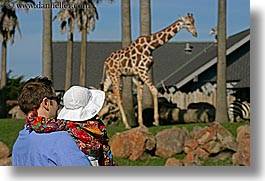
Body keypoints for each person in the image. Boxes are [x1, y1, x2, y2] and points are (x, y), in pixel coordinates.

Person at [26, 85, 117, 166]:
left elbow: (40, 125)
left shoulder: (67, 125)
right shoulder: (97, 126)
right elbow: (105, 150)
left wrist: (33, 119)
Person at [12, 77, 91, 166]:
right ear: (46, 103)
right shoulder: (60, 139)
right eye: (56, 99)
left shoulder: (20, 142)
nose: (58, 105)